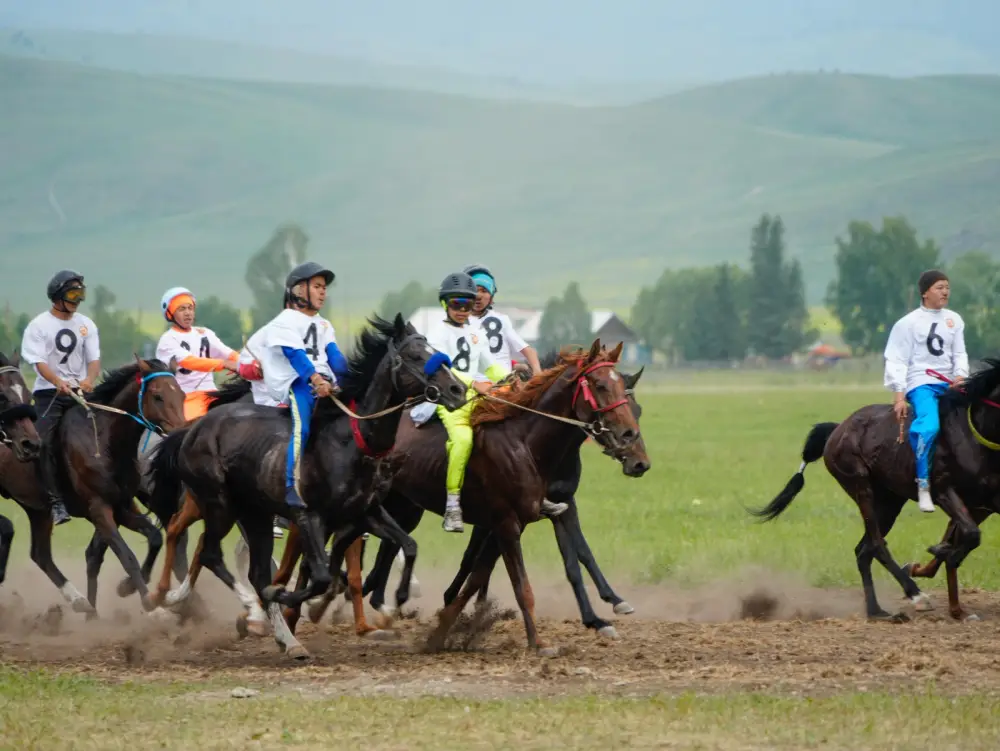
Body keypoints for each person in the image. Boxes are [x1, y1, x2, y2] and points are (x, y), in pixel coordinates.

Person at [463, 264, 567, 519]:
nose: (479, 296)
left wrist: (537, 375)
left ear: (491, 295)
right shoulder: (460, 322)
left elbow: (526, 350)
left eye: (484, 291)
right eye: (474, 291)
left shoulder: (500, 320)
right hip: (473, 385)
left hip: (503, 385)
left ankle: (537, 492)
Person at [254, 262, 349, 524]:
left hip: (327, 384)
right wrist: (315, 380)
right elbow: (295, 356)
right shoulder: (284, 321)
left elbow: (335, 357)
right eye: (317, 286)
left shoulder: (324, 324)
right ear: (298, 290)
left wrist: (349, 381)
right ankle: (290, 485)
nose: (323, 292)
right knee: (303, 429)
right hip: (301, 383)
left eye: (324, 287)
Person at [424, 271, 510, 532]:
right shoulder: (438, 332)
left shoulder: (476, 331)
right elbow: (442, 369)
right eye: (456, 304)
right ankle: (452, 505)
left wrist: (510, 380)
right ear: (444, 304)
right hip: (449, 398)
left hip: (475, 395)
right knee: (462, 440)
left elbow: (490, 366)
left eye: (468, 304)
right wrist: (473, 383)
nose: (462, 310)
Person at [884, 269, 969, 513]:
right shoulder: (907, 324)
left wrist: (960, 375)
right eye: (939, 288)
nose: (945, 292)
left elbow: (959, 352)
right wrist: (899, 396)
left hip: (951, 383)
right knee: (929, 426)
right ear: (925, 293)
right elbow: (897, 359)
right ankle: (923, 484)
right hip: (921, 383)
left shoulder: (954, 319)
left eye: (947, 287)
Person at [21, 270, 101, 525]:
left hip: (80, 392)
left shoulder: (86, 324)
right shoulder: (38, 326)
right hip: (49, 394)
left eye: (81, 294)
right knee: (42, 443)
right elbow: (38, 362)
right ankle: (55, 502)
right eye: (73, 294)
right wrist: (57, 382)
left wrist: (89, 380)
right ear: (57, 296)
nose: (78, 300)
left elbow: (94, 360)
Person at [156, 287, 240, 422]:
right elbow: (189, 361)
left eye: (190, 308)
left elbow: (228, 353)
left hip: (211, 394)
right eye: (181, 309)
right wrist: (223, 364)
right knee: (192, 427)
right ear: (171, 314)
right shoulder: (168, 340)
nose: (188, 313)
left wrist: (247, 363)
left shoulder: (205, 333)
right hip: (184, 397)